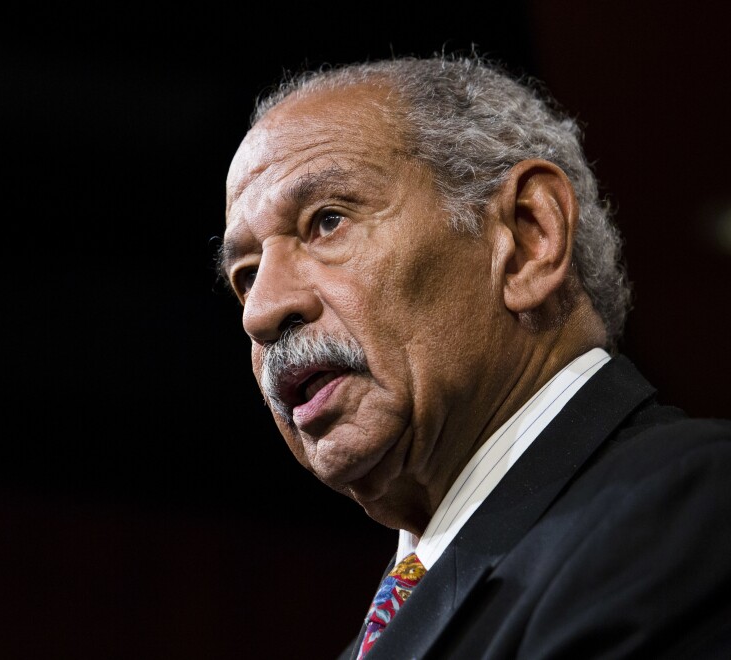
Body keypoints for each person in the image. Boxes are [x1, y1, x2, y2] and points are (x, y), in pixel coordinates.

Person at [216, 52, 731, 659]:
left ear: (527, 237)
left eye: (327, 221)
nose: (261, 311)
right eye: (246, 276)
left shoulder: (687, 509)